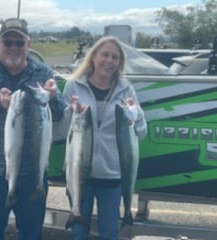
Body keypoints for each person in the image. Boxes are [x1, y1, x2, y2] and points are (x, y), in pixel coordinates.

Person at [0, 18, 66, 240]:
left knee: (32, 234)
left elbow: (61, 110)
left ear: (29, 44)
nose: (13, 48)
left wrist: (53, 97)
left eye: (19, 42)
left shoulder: (42, 71)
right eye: (8, 42)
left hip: (33, 172)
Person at [62, 36, 147, 240]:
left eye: (114, 57)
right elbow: (61, 130)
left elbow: (141, 132)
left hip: (112, 174)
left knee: (109, 233)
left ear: (119, 63)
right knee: (78, 233)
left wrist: (137, 114)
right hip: (78, 173)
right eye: (104, 55)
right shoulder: (74, 86)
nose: (109, 61)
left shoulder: (126, 89)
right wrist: (69, 112)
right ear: (93, 57)